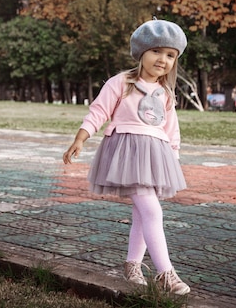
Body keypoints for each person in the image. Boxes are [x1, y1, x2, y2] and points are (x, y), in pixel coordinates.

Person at [62, 18, 190, 295]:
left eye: (170, 55)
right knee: (152, 210)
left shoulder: (165, 93)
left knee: (142, 214)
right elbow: (99, 111)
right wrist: (81, 138)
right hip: (126, 154)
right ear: (142, 52)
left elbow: (171, 129)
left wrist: (173, 159)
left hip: (155, 156)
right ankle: (165, 273)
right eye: (156, 51)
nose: (162, 59)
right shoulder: (122, 82)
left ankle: (132, 265)